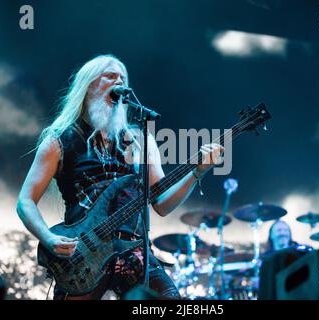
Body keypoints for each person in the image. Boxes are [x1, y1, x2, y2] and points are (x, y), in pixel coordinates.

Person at [16, 54, 224, 300]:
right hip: (84, 255)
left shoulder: (140, 139)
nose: (120, 81)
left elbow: (163, 204)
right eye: (111, 75)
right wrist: (48, 237)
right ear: (89, 84)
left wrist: (196, 172)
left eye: (123, 77)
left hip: (134, 252)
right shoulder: (60, 139)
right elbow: (25, 201)